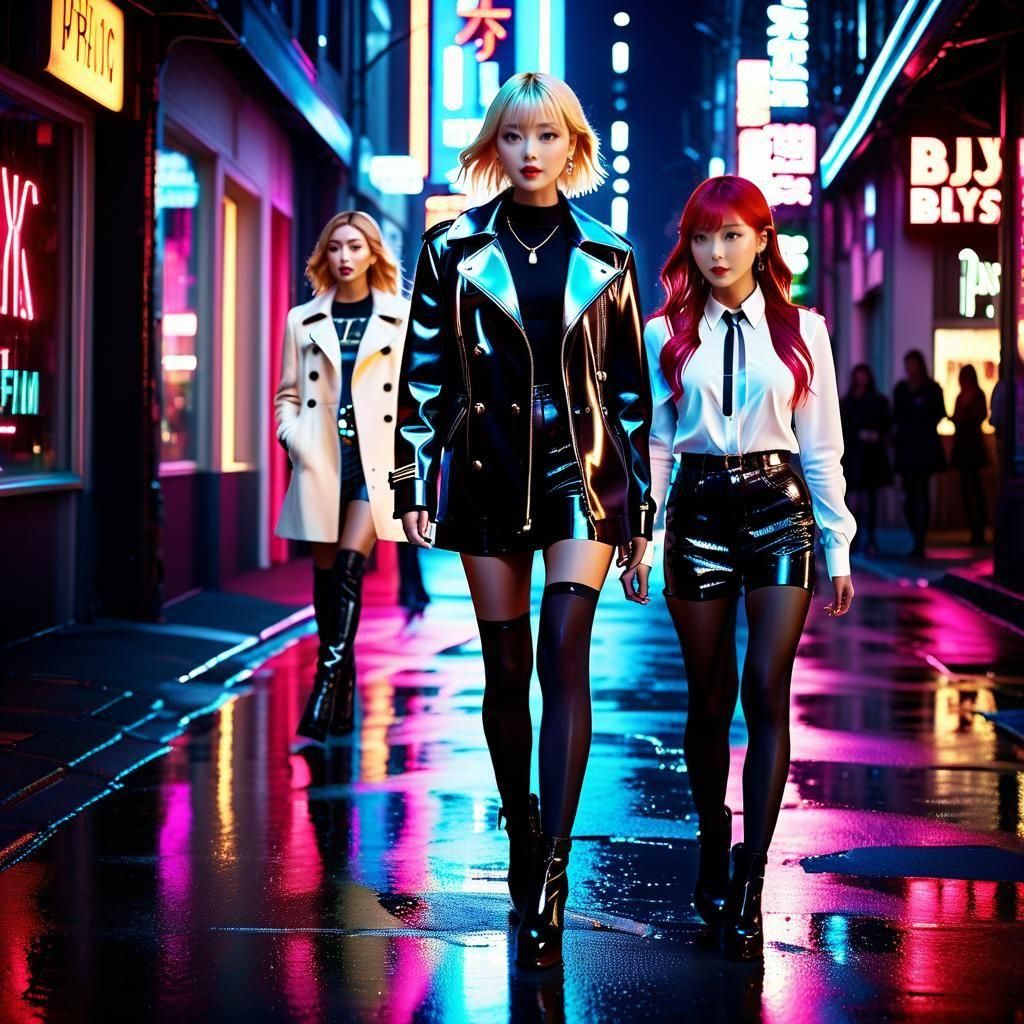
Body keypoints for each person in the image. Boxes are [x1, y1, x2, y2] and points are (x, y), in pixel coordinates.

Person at [391, 71, 653, 970]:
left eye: (546, 136)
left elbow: (628, 394)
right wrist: (412, 479)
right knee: (505, 668)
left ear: (570, 143)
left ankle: (552, 869)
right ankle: (522, 833)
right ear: (493, 146)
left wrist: (639, 509)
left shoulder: (611, 254)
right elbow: (422, 376)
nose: (530, 152)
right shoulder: (448, 249)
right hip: (483, 469)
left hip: (583, 474)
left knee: (560, 653)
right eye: (513, 137)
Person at [623, 175, 856, 961]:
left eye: (731, 235)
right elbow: (654, 445)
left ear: (762, 239)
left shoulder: (805, 331)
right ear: (686, 246)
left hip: (777, 506)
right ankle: (711, 838)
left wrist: (838, 544)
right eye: (701, 237)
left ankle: (753, 877)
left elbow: (822, 447)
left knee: (765, 686)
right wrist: (641, 540)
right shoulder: (664, 334)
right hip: (695, 508)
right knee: (709, 697)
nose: (716, 252)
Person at [274, 211, 409, 742]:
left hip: (377, 461)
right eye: (335, 247)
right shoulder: (302, 319)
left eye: (355, 246)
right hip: (323, 459)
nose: (345, 256)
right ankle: (344, 690)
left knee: (351, 566)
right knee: (327, 581)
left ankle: (326, 683)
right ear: (324, 256)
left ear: (374, 253)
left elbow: (417, 397)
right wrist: (295, 438)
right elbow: (287, 395)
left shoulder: (401, 317)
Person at [892, 350, 946, 557]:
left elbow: (939, 412)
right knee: (909, 494)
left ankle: (920, 538)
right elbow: (896, 415)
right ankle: (916, 535)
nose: (909, 368)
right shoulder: (902, 390)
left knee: (921, 492)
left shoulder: (932, 389)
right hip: (907, 446)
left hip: (924, 447)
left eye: (912, 364)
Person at [840, 363, 892, 555]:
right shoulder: (847, 403)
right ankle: (855, 538)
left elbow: (886, 423)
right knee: (853, 500)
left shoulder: (877, 401)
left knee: (870, 499)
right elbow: (844, 429)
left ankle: (870, 538)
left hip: (871, 456)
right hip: (854, 456)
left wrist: (876, 435)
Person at [951, 364, 989, 545]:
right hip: (965, 444)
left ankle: (978, 529)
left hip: (971, 444)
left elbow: (980, 416)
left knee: (973, 487)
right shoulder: (962, 396)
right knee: (967, 488)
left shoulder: (977, 395)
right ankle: (974, 529)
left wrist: (962, 419)